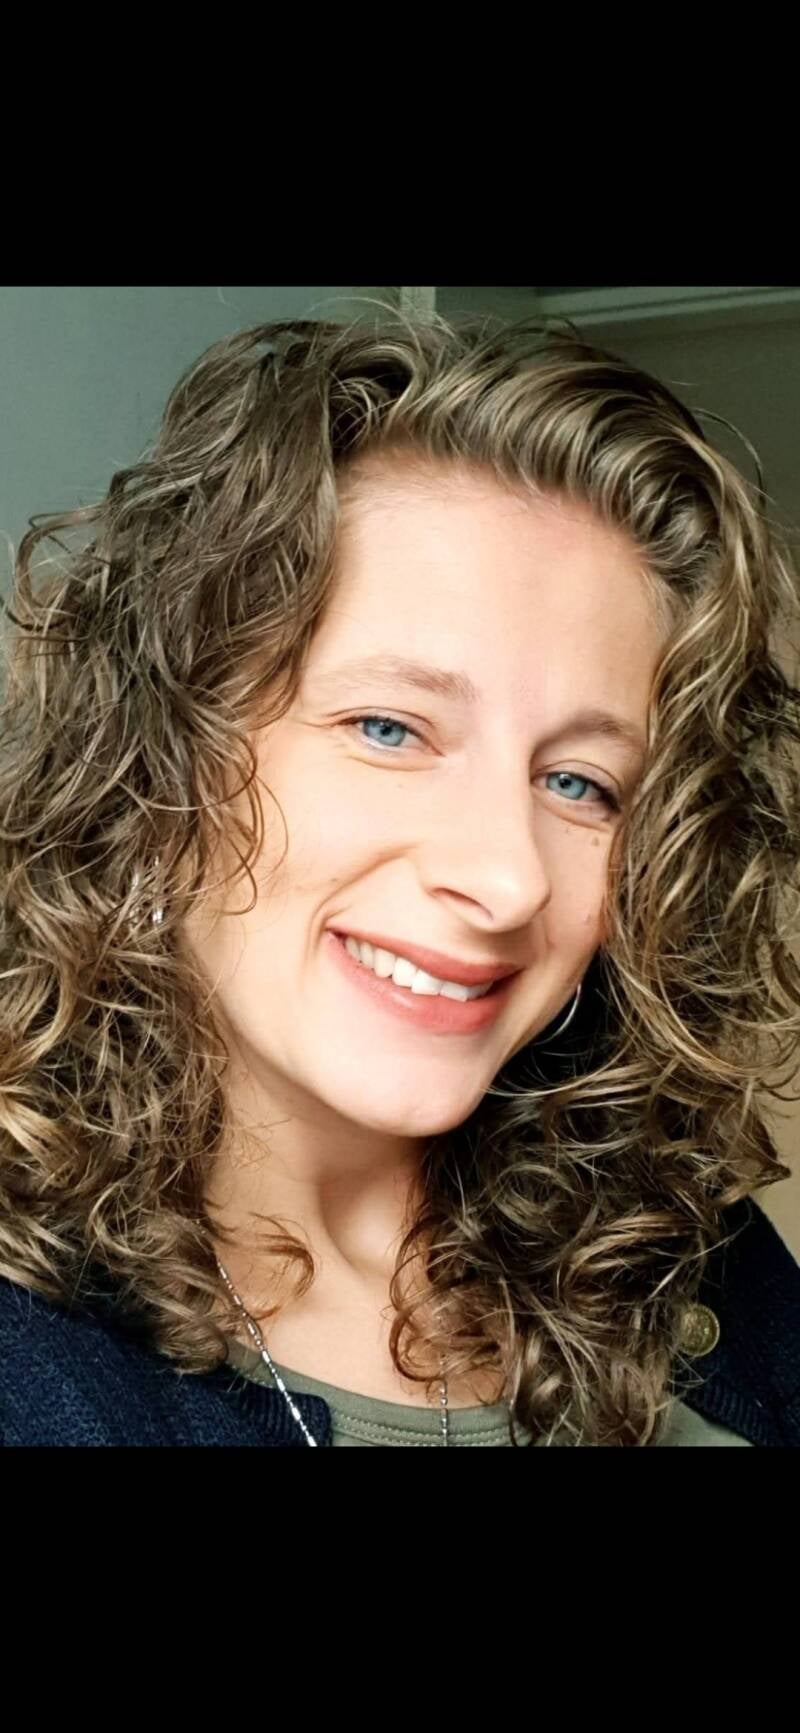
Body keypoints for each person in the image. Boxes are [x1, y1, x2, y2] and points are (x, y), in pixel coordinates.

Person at [1, 306, 799, 1448]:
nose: (507, 876)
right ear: (167, 743)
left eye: (579, 783)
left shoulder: (697, 1259)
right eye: (389, 727)